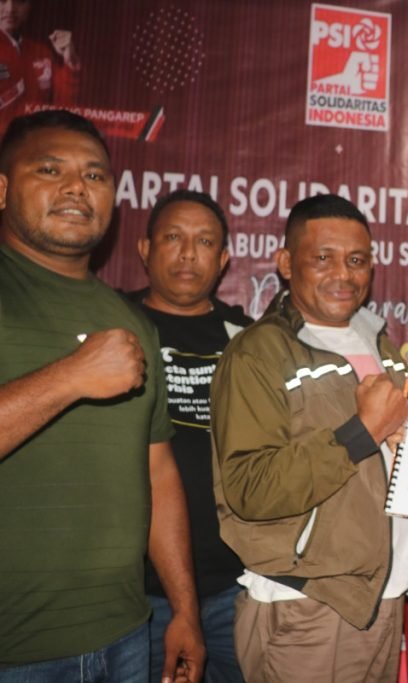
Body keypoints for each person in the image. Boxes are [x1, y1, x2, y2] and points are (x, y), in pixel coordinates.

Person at [0, 110, 203, 681]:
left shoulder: (131, 321)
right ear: (3, 189)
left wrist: (184, 609)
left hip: (126, 636)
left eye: (95, 175)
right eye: (50, 169)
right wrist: (71, 377)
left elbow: (158, 471)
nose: (77, 187)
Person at [210, 193, 408, 683]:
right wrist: (362, 432)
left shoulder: (382, 345)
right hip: (308, 605)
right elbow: (250, 488)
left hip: (384, 596)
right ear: (286, 263)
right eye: (323, 258)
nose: (343, 274)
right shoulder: (258, 353)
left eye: (357, 261)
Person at [128, 189, 252, 683]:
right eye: (173, 238)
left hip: (234, 584)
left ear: (222, 260)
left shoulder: (248, 339)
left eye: (204, 242)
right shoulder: (111, 324)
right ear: (145, 248)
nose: (187, 254)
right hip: (133, 593)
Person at [0, 0, 81, 132]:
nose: (10, 9)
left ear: (29, 6)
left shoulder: (41, 53)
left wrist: (69, 61)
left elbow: (64, 107)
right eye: (2, 1)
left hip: (37, 140)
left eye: (19, 1)